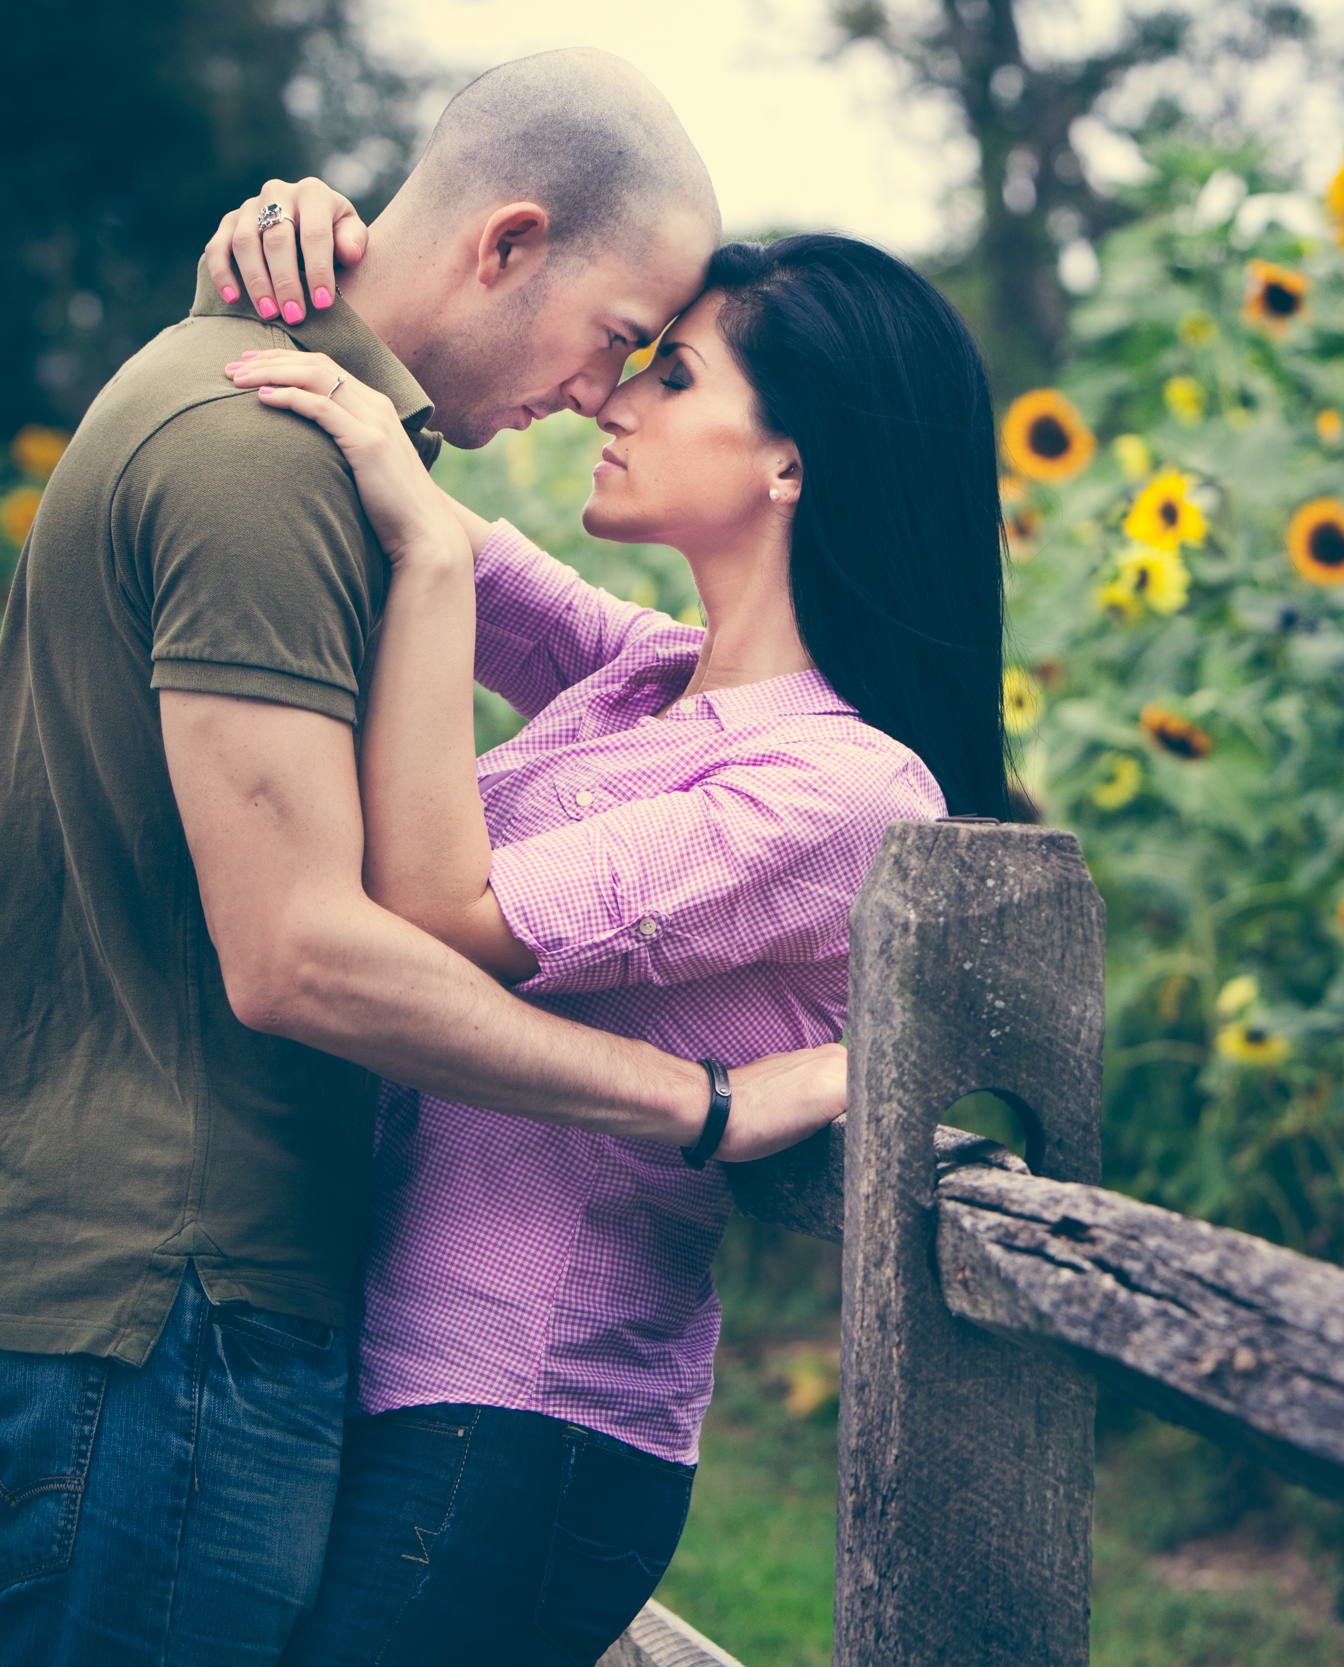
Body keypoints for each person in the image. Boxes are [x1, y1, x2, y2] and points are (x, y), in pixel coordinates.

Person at [0, 54, 852, 1666]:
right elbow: (300, 953)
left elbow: (527, 596)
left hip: (178, 1309)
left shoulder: (288, 422)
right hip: (169, 1310)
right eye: (621, 343)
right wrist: (708, 1109)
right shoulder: (259, 455)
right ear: (509, 242)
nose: (606, 396)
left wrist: (288, 292)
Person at [215, 180, 1007, 1663]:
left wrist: (443, 566)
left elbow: (447, 915)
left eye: (676, 372)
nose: (617, 401)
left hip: (518, 1423)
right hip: (379, 1373)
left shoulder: (843, 784)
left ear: (793, 462)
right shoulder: (649, 678)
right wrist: (292, 266)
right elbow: (372, 472)